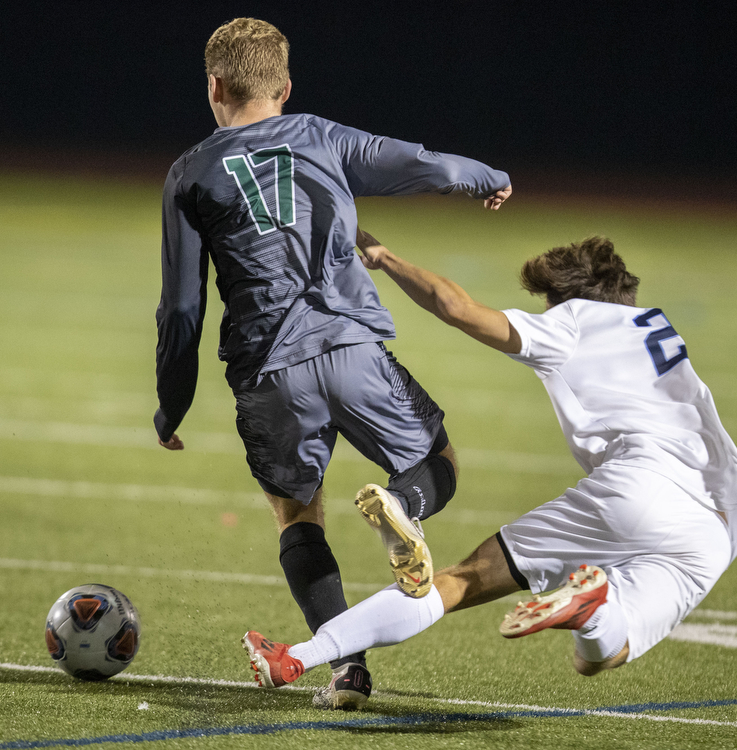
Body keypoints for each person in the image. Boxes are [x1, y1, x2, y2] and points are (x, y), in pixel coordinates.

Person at [153, 19, 512, 710]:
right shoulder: (321, 136)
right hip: (351, 350)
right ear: (285, 87)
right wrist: (485, 178)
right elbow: (422, 163)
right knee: (439, 463)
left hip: (268, 376)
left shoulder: (190, 171)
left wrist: (173, 403)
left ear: (214, 86)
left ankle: (346, 671)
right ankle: (403, 507)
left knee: (297, 517)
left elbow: (182, 310)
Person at [243, 230, 737, 694]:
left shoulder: (574, 320)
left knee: (459, 582)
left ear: (565, 296)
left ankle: (300, 657)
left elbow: (458, 309)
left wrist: (386, 259)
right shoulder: (656, 326)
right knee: (606, 652)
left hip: (641, 483)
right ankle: (591, 609)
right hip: (716, 528)